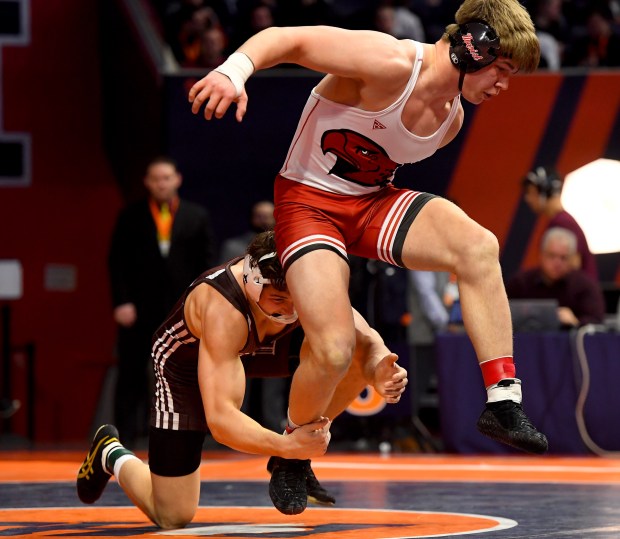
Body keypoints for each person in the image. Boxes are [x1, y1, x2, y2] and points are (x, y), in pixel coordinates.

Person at [187, 0, 549, 514]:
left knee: (478, 246)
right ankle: (294, 449)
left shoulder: (450, 119)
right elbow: (287, 38)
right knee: (334, 350)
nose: (503, 85)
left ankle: (503, 400)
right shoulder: (390, 62)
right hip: (308, 201)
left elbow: (379, 170)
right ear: (475, 45)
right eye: (503, 70)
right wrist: (233, 70)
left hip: (371, 201)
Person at [77, 231, 407, 527]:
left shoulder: (306, 281)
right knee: (173, 515)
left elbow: (355, 327)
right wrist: (284, 445)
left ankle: (291, 456)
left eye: (297, 298)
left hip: (261, 346)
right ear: (253, 282)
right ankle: (110, 453)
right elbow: (221, 421)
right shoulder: (223, 309)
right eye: (279, 299)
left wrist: (377, 363)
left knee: (347, 353)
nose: (290, 309)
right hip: (186, 365)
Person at [108, 156, 217, 446]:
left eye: (166, 178)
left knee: (187, 371)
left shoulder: (197, 216)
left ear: (177, 179)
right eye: (155, 179)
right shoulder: (130, 216)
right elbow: (117, 262)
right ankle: (124, 437)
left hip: (182, 310)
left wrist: (204, 305)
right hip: (139, 308)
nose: (161, 183)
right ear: (147, 182)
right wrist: (121, 302)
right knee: (131, 371)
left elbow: (208, 265)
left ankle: (191, 433)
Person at [506, 227, 605, 328]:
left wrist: (576, 321)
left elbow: (597, 322)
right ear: (541, 254)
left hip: (569, 342)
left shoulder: (585, 286)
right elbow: (501, 313)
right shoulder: (521, 282)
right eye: (551, 256)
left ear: (573, 259)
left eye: (563, 258)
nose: (557, 263)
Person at [522, 165, 598, 281]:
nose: (528, 199)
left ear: (544, 193)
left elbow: (573, 265)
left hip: (576, 295)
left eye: (531, 192)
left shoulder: (562, 223)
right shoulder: (563, 220)